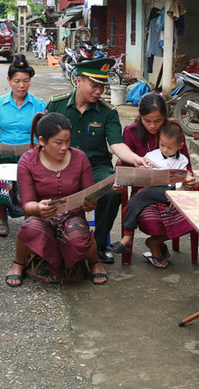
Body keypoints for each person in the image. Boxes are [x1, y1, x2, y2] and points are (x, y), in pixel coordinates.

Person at [46, 58, 151, 264]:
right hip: (62, 167)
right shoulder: (56, 105)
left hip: (96, 167)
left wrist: (136, 159)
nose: (99, 91)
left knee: (113, 189)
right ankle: (54, 239)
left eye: (102, 86)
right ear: (78, 80)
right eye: (94, 85)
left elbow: (116, 144)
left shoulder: (107, 112)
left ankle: (100, 243)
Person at [4, 113, 107, 287]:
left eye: (67, 141)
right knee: (28, 229)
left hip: (73, 217)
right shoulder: (27, 161)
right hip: (41, 217)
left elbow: (89, 195)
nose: (64, 147)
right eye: (58, 143)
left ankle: (95, 262)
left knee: (79, 238)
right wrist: (38, 208)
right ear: (42, 141)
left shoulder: (80, 158)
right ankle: (18, 262)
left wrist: (90, 202)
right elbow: (27, 204)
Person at [107, 93, 198, 268]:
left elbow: (185, 166)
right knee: (150, 219)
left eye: (158, 121)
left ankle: (154, 243)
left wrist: (187, 182)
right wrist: (122, 181)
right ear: (140, 116)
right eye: (147, 120)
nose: (153, 126)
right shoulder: (131, 132)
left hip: (173, 190)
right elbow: (126, 167)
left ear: (165, 117)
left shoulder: (174, 130)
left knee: (194, 217)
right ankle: (152, 245)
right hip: (143, 192)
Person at [0, 54, 46, 236]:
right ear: (9, 81)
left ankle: (30, 216)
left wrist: (39, 149)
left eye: (26, 81)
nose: (21, 85)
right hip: (4, 154)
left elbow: (43, 136)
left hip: (30, 155)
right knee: (1, 173)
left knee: (33, 175)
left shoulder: (39, 104)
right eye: (17, 81)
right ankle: (2, 218)